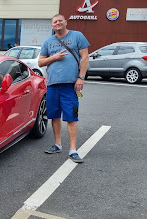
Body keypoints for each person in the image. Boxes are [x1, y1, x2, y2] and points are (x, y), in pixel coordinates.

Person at [38, 14, 89, 163]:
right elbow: (40, 62)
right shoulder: (48, 42)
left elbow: (85, 57)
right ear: (52, 26)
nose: (58, 23)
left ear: (66, 22)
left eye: (60, 20)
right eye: (55, 22)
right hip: (53, 85)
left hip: (70, 85)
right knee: (54, 115)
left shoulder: (77, 36)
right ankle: (57, 144)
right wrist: (54, 57)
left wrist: (81, 77)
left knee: (71, 117)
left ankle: (73, 150)